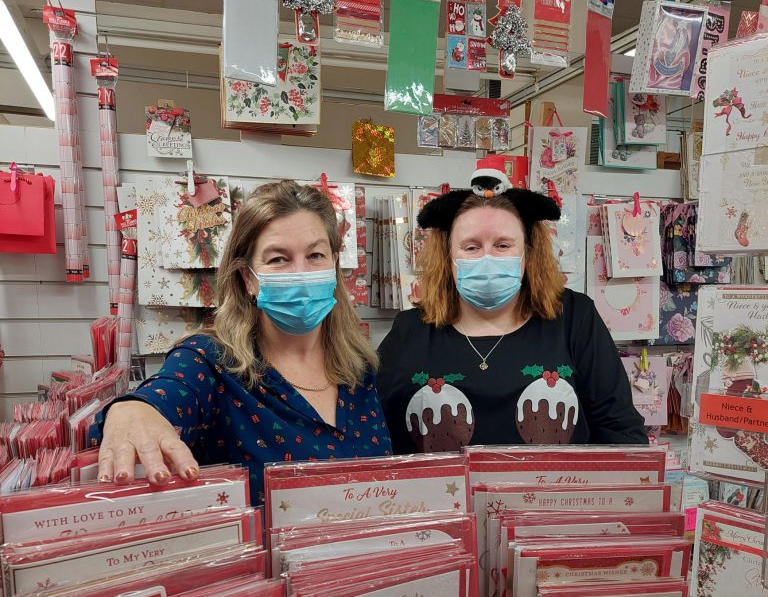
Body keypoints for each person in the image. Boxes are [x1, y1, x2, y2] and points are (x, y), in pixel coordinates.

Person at [95, 181, 391, 502]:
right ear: (248, 277)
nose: (301, 273)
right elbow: (166, 392)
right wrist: (132, 410)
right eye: (278, 259)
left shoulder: (360, 368)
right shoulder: (208, 361)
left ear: (334, 263)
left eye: (316, 255)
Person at [376, 173, 647, 454]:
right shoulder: (411, 331)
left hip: (552, 495)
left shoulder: (574, 318)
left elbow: (621, 432)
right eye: (471, 247)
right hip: (445, 497)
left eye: (503, 245)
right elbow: (378, 435)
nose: (488, 258)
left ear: (528, 253)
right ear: (448, 257)